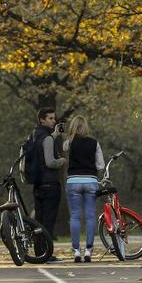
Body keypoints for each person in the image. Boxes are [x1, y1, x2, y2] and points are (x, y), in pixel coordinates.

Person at [63, 115, 105, 262]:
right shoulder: (94, 143)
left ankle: (76, 251)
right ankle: (88, 250)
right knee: (90, 216)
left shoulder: (68, 143)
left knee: (74, 216)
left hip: (73, 181)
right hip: (91, 181)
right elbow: (100, 165)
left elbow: (63, 149)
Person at [32, 107, 67, 261]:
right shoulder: (47, 139)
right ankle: (47, 254)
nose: (54, 121)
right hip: (50, 184)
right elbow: (50, 162)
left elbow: (41, 150)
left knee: (39, 219)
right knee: (48, 221)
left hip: (38, 184)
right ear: (42, 120)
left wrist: (54, 135)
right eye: (51, 118)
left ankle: (39, 252)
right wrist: (62, 160)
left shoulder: (34, 135)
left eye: (54, 118)